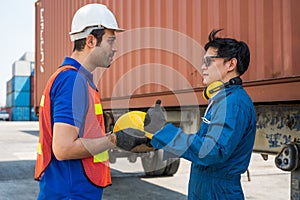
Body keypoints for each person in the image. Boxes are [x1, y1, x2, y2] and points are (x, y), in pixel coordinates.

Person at [34, 3, 143, 199]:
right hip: (70, 194)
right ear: (91, 41)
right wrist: (114, 139)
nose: (115, 48)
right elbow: (63, 148)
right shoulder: (72, 81)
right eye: (111, 41)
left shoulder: (79, 80)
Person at [144, 29, 256, 199]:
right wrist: (155, 138)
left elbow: (212, 151)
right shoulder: (222, 100)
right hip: (206, 187)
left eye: (208, 61)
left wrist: (163, 131)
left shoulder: (234, 103)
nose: (203, 67)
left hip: (218, 191)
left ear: (230, 65)